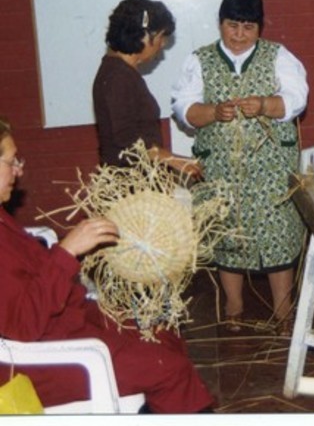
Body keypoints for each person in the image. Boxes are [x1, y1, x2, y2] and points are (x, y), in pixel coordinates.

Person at [0, 117, 214, 413]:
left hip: (65, 324)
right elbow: (24, 325)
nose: (19, 170)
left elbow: (31, 277)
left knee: (165, 335)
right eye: (11, 162)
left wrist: (75, 252)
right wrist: (66, 252)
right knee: (169, 369)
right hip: (41, 362)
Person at [171, 0, 308, 334]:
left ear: (260, 28)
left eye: (248, 27)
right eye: (233, 26)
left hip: (271, 169)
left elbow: (297, 98)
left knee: (277, 232)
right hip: (220, 167)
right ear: (221, 24)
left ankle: (283, 310)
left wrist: (265, 104)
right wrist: (213, 112)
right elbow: (183, 107)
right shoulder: (198, 60)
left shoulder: (279, 56)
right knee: (225, 232)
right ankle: (234, 305)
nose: (239, 35)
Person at [93, 0, 201, 178]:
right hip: (130, 189)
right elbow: (128, 141)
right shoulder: (118, 76)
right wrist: (173, 160)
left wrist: (177, 159)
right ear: (144, 36)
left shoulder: (119, 71)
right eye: (161, 37)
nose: (163, 44)